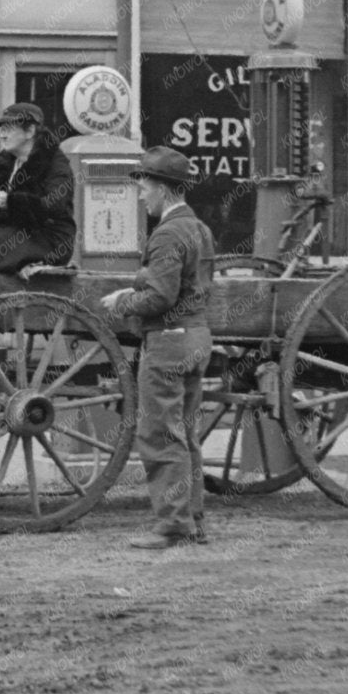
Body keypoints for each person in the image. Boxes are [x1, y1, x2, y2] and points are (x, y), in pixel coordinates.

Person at [100, 145, 218, 548]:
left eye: (144, 185)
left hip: (167, 342)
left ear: (164, 189)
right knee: (185, 434)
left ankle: (172, 526)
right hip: (197, 337)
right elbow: (180, 282)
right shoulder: (199, 228)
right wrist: (137, 282)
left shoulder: (167, 233)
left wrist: (122, 304)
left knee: (159, 436)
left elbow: (160, 298)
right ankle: (193, 520)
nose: (140, 194)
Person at [0, 103, 77, 275]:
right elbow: (13, 214)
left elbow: (54, 206)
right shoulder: (9, 163)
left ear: (30, 131)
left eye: (8, 128)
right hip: (22, 233)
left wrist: (10, 201)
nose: (2, 134)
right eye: (1, 129)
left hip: (50, 240)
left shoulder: (56, 165)